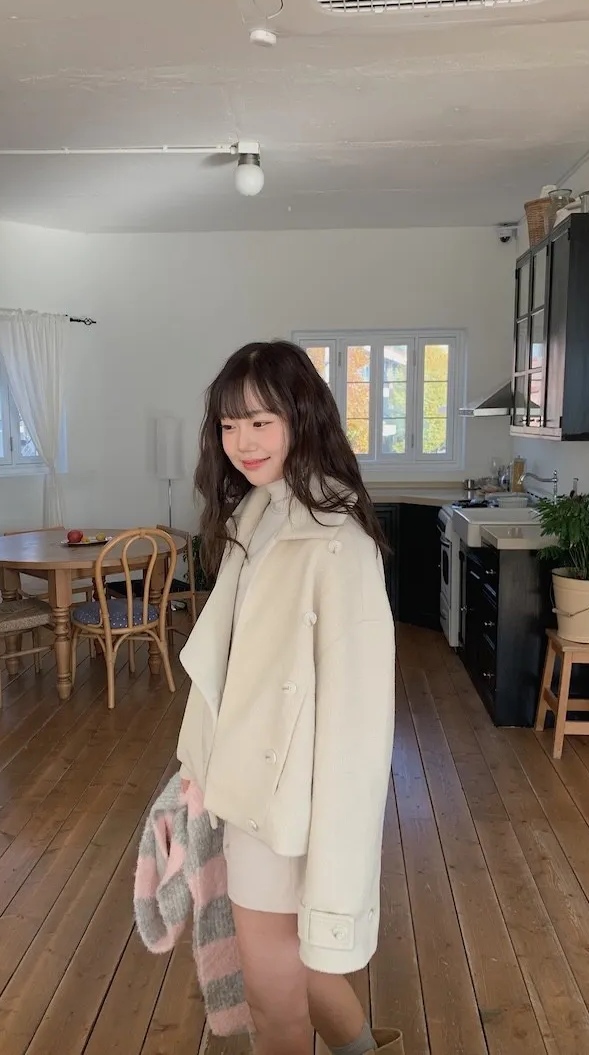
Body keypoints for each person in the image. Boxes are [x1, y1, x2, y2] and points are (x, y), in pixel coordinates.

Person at [176, 340, 400, 1055]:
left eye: (260, 422)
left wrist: (339, 857)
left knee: (274, 1009)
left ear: (302, 418)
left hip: (288, 814)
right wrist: (198, 768)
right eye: (228, 424)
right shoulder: (257, 513)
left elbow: (358, 724)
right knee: (302, 975)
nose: (242, 442)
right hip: (250, 792)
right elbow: (232, 671)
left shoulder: (337, 543)